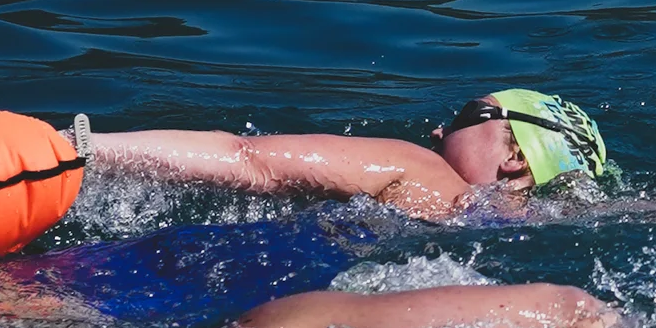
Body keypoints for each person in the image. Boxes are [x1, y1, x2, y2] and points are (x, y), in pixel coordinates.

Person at [81, 86, 613, 222]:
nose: (436, 130)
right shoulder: (541, 224)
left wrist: (78, 147)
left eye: (465, 114)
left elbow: (249, 160)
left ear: (515, 155)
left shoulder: (418, 168)